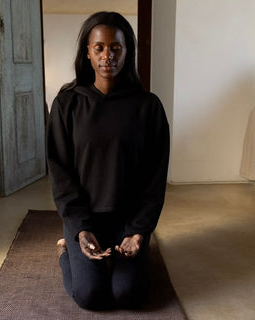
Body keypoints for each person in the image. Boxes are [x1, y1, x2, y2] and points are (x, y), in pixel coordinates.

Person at [47, 11, 170, 310]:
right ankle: (67, 252)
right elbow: (60, 173)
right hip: (85, 220)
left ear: (127, 52)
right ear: (87, 52)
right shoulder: (66, 104)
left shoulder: (148, 107)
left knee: (128, 295)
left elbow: (155, 179)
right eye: (99, 47)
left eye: (116, 48)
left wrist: (139, 230)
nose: (107, 56)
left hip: (128, 221)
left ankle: (136, 252)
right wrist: (78, 228)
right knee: (90, 296)